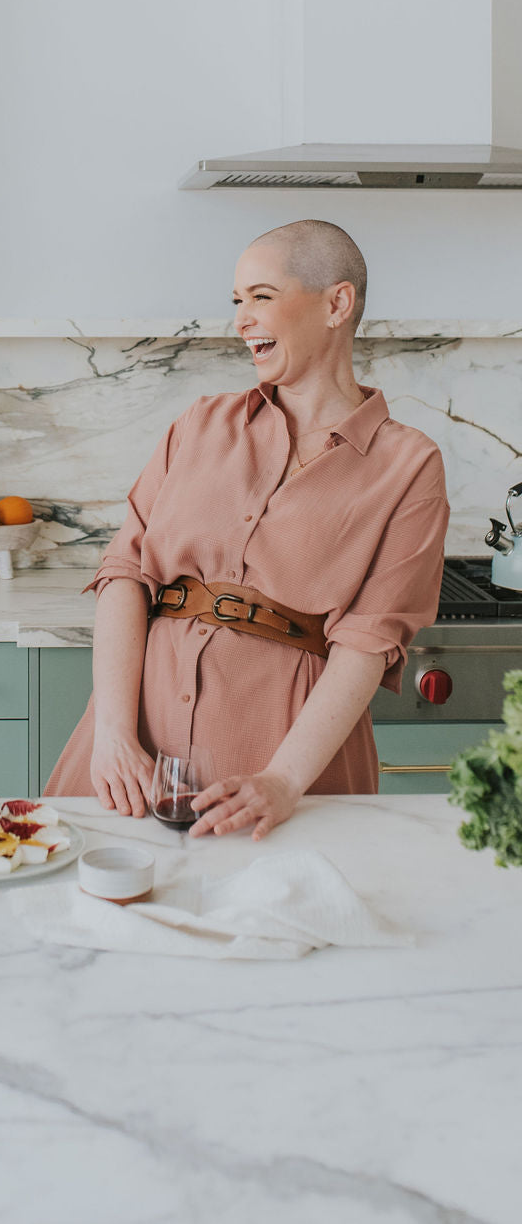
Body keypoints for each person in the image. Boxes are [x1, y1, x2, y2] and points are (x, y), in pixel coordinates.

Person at [45, 219, 449, 840]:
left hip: (280, 763)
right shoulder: (201, 425)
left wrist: (285, 781)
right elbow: (125, 575)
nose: (241, 320)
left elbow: (368, 642)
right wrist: (114, 736)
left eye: (261, 296)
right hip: (129, 757)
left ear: (336, 303)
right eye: (237, 301)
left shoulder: (409, 465)